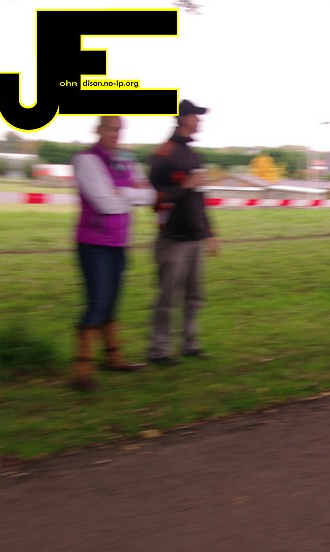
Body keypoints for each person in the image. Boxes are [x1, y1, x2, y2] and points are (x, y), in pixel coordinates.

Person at [70, 116, 157, 391]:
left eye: (119, 129)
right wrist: (131, 195)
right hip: (93, 243)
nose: (116, 133)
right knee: (97, 303)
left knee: (111, 303)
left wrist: (121, 193)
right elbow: (104, 204)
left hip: (118, 242)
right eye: (110, 128)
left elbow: (151, 195)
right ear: (98, 129)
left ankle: (114, 359)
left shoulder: (126, 159)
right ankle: (81, 370)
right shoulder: (86, 160)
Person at [147, 99, 220, 364]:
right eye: (196, 116)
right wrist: (184, 186)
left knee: (195, 296)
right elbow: (154, 196)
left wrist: (209, 233)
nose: (199, 121)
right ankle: (159, 350)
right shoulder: (164, 153)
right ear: (183, 118)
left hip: (194, 238)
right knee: (167, 297)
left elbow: (198, 199)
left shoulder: (193, 155)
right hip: (172, 237)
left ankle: (190, 344)